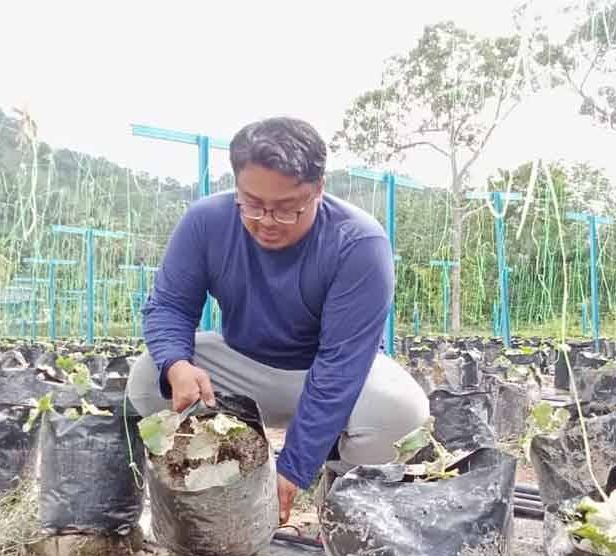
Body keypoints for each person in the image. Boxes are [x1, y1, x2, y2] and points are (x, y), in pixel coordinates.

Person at [127, 116, 429, 525]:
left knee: (401, 411)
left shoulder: (358, 244)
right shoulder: (206, 222)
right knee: (149, 376)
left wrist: (293, 469)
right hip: (242, 366)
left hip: (325, 371)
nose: (266, 220)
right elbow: (169, 307)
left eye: (287, 209)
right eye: (252, 204)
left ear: (319, 189)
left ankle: (342, 499)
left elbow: (340, 368)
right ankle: (215, 488)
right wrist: (178, 365)